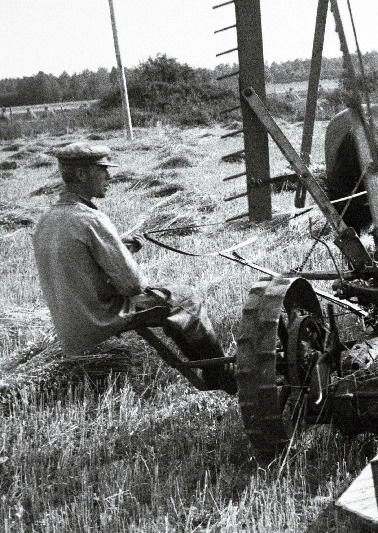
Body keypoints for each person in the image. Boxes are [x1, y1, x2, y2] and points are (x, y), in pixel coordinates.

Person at [32, 141, 235, 393]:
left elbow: (80, 266)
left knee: (173, 299)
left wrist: (119, 247)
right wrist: (123, 256)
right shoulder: (91, 219)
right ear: (82, 174)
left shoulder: (47, 219)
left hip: (70, 322)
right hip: (101, 316)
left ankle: (209, 369)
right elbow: (133, 285)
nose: (110, 176)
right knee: (186, 298)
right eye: (102, 169)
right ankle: (221, 374)